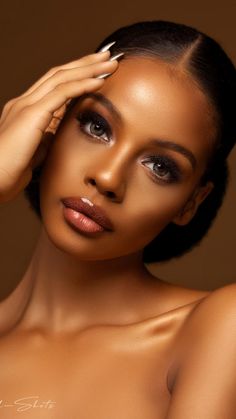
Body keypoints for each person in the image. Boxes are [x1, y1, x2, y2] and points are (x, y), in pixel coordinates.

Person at [0, 19, 235, 418]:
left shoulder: (219, 330)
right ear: (51, 122)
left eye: (160, 166)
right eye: (97, 126)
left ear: (191, 202)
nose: (108, 178)